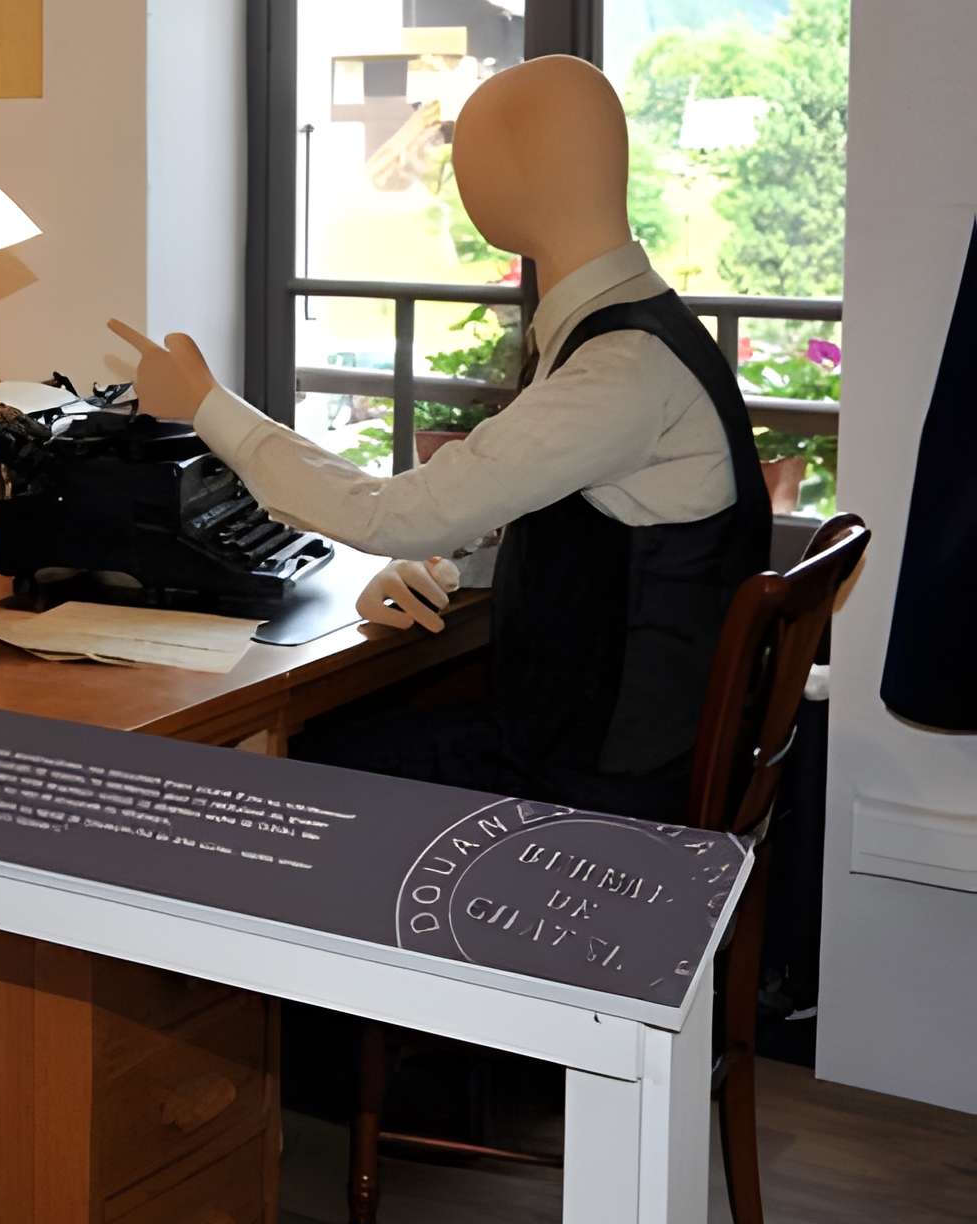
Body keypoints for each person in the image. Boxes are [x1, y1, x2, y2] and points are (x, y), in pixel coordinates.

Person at [109, 55, 770, 819]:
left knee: (295, 764)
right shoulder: (644, 330)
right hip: (616, 736)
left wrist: (205, 405)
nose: (459, 177)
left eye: (469, 154)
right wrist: (454, 569)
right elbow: (593, 539)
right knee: (352, 729)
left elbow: (392, 514)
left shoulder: (620, 367)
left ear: (527, 169)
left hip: (603, 778)